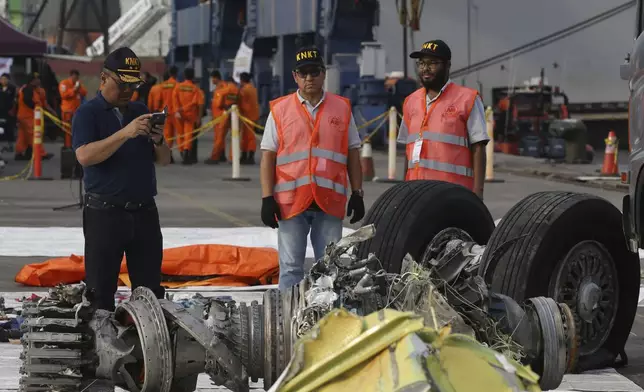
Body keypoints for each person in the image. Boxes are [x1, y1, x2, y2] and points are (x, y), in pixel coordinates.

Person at [71, 46, 171, 315]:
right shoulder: (88, 113)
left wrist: (158, 139)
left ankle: (144, 348)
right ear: (104, 79)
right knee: (100, 291)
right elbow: (85, 156)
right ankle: (100, 350)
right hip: (105, 213)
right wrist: (124, 133)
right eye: (122, 84)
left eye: (134, 84)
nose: (128, 91)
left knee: (150, 291)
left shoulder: (139, 110)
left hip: (144, 213)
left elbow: (164, 160)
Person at [259, 46, 365, 291]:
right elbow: (268, 157)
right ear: (295, 76)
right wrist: (266, 198)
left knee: (331, 268)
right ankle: (290, 321)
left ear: (323, 74)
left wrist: (357, 194)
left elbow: (352, 153)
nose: (309, 78)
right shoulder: (279, 110)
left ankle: (330, 320)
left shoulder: (342, 108)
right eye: (303, 73)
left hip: (329, 202)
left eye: (314, 72)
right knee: (290, 269)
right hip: (291, 203)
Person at [398, 39, 489, 199]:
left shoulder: (467, 99)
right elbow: (408, 152)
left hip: (453, 194)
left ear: (447, 66)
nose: (425, 68)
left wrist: (478, 193)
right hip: (415, 194)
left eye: (433, 63)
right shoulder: (410, 101)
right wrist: (403, 190)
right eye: (421, 63)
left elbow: (479, 148)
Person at [15, 72, 55, 161]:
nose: (39, 81)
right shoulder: (27, 89)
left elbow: (44, 104)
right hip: (27, 117)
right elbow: (28, 101)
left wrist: (52, 112)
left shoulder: (38, 90)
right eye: (37, 79)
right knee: (35, 135)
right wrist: (37, 108)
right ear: (32, 81)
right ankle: (40, 153)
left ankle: (21, 153)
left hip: (30, 116)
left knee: (23, 136)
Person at [172, 67, 205, 164]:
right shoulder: (196, 89)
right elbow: (199, 104)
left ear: (184, 76)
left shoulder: (177, 87)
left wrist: (178, 110)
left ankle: (182, 151)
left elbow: (174, 100)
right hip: (190, 116)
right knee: (188, 135)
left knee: (179, 134)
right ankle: (186, 153)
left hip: (178, 115)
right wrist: (199, 118)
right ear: (193, 76)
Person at [206, 71, 239, 164]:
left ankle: (215, 156)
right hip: (228, 114)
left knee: (220, 137)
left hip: (222, 115)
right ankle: (229, 157)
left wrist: (221, 106)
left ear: (216, 77)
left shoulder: (224, 88)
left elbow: (219, 102)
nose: (212, 80)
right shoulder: (233, 88)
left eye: (212, 78)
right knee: (231, 137)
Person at [58, 69, 87, 148]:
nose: (76, 79)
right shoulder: (64, 83)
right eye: (75, 77)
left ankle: (75, 145)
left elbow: (84, 92)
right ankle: (68, 146)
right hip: (67, 111)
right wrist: (74, 89)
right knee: (67, 129)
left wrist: (79, 87)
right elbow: (64, 95)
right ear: (71, 76)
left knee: (76, 129)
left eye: (77, 78)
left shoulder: (78, 84)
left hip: (76, 111)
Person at [238, 72, 259, 164]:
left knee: (247, 137)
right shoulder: (253, 88)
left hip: (247, 115)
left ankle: (247, 156)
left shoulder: (244, 90)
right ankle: (248, 155)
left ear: (242, 80)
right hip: (253, 115)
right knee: (250, 137)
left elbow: (240, 101)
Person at [0, 73, 17, 152]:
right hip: (0, 111)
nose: (3, 81)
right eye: (2, 79)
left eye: (5, 79)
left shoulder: (12, 88)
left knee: (9, 129)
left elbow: (14, 100)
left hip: (9, 111)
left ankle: (10, 146)